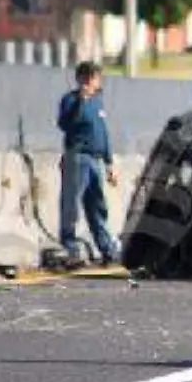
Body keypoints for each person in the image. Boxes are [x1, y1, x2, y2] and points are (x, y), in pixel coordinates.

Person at [56, 61, 120, 268]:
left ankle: (107, 249)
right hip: (77, 156)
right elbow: (65, 124)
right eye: (93, 78)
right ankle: (70, 248)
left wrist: (110, 162)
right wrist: (80, 103)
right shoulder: (71, 100)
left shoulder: (98, 102)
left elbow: (103, 133)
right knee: (71, 206)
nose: (95, 82)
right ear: (83, 79)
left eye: (96, 78)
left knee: (97, 206)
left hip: (95, 160)